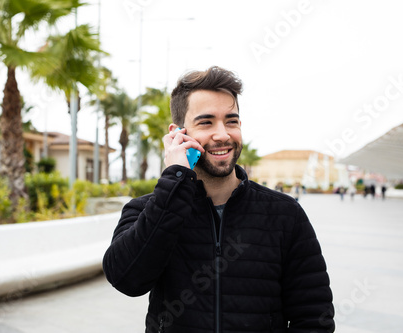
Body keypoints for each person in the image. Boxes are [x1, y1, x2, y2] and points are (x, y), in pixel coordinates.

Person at [102, 66, 335, 333]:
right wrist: (175, 181)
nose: (223, 134)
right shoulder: (148, 209)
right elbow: (127, 280)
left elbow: (315, 316)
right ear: (178, 133)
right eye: (206, 122)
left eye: (231, 121)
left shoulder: (285, 213)